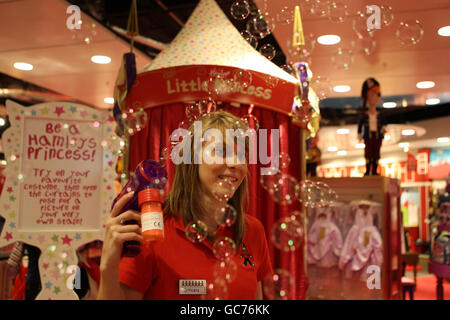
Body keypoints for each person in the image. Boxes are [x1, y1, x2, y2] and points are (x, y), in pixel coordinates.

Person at [97, 110, 273, 299]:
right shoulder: (153, 228)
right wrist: (108, 267)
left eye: (242, 155)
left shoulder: (253, 231)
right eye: (222, 151)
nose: (235, 163)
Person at [357, 78, 387, 176]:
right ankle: (367, 170)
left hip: (377, 136)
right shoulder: (365, 115)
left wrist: (384, 128)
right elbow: (360, 124)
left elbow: (384, 124)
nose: (375, 98)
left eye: (377, 94)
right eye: (372, 95)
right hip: (368, 136)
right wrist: (359, 133)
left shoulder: (380, 114)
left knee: (376, 153)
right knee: (368, 152)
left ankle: (374, 170)